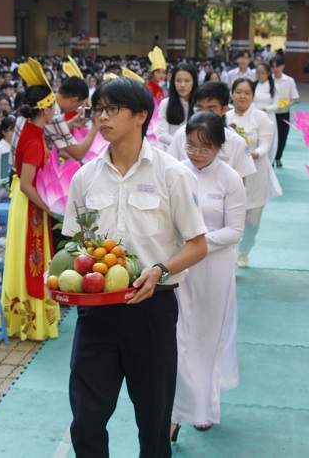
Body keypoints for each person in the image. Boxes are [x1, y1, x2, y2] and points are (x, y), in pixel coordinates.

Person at [62, 77, 207, 457]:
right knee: (87, 417)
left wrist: (160, 268)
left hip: (152, 311)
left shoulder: (172, 173)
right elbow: (74, 245)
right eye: (98, 110)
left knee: (154, 417)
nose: (103, 118)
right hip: (96, 314)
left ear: (141, 114)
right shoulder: (84, 177)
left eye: (113, 109)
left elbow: (197, 244)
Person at [171, 111, 245, 437]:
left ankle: (204, 407)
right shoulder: (175, 173)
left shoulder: (230, 178)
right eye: (191, 145)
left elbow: (235, 231)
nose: (197, 153)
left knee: (206, 340)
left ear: (219, 146)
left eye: (205, 147)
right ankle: (175, 411)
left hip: (214, 269)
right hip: (179, 266)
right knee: (178, 339)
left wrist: (198, 243)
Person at [1, 60, 61, 341]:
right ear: (45, 108)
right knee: (33, 263)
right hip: (31, 207)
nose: (54, 112)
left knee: (30, 263)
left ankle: (26, 320)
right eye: (53, 107)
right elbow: (27, 184)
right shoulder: (35, 140)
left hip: (26, 204)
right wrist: (51, 209)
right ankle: (33, 323)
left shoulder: (29, 130)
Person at [226, 78, 281, 268]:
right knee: (231, 220)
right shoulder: (225, 117)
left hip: (256, 174)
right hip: (232, 174)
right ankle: (230, 257)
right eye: (238, 92)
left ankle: (244, 251)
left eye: (247, 93)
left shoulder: (261, 118)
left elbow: (267, 142)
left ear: (253, 96)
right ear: (232, 94)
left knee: (253, 222)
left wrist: (256, 153)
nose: (242, 96)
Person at [167, 81, 256, 181]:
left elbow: (240, 183)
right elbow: (169, 169)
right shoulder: (181, 134)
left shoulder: (236, 142)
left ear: (224, 109)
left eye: (211, 110)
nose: (204, 115)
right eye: (199, 109)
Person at [157, 63, 197, 148]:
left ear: (194, 81)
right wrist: (184, 145)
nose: (182, 85)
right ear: (173, 82)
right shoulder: (166, 104)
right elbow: (162, 135)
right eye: (178, 81)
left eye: (187, 81)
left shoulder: (199, 105)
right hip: (170, 152)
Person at [270, 55, 299, 168]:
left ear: (283, 66)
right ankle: (271, 158)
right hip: (271, 112)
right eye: (273, 67)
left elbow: (294, 97)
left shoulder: (289, 81)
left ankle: (278, 157)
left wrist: (288, 105)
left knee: (283, 136)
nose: (276, 69)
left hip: (284, 111)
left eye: (278, 66)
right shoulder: (269, 80)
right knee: (271, 136)